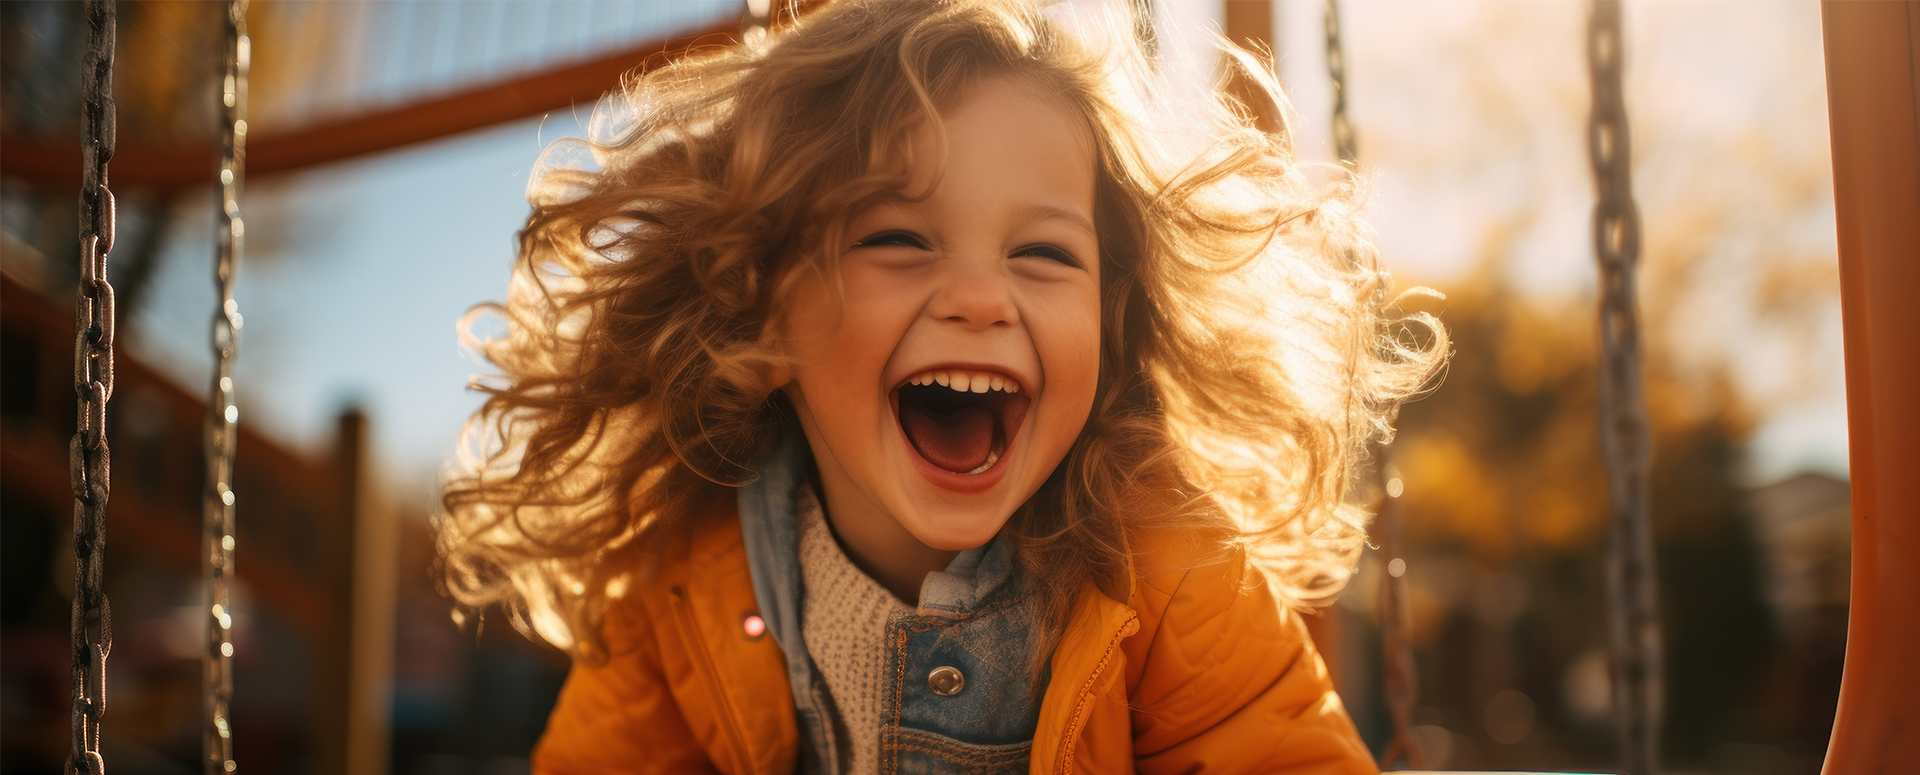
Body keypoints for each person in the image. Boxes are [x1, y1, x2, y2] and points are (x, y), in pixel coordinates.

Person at [437, 1, 1445, 772]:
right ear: (763, 315)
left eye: (1043, 254)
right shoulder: (682, 576)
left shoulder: (1165, 566)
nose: (980, 297)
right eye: (898, 238)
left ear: (1110, 318)